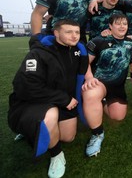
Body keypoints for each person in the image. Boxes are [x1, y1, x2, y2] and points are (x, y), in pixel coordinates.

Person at [8, 19, 88, 178]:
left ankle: (38, 128)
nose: (74, 36)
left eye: (77, 32)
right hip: (39, 101)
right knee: (49, 117)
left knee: (68, 137)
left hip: (66, 102)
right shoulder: (39, 52)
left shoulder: (79, 50)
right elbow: (25, 85)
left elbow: (84, 72)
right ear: (56, 33)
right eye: (68, 32)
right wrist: (63, 99)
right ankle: (56, 155)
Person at [82, 14, 132, 157]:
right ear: (110, 26)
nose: (122, 27)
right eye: (118, 23)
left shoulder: (131, 44)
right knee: (91, 94)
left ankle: (100, 104)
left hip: (117, 87)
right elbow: (83, 62)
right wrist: (89, 77)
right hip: (99, 82)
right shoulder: (98, 41)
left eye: (124, 24)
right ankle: (97, 134)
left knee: (118, 116)